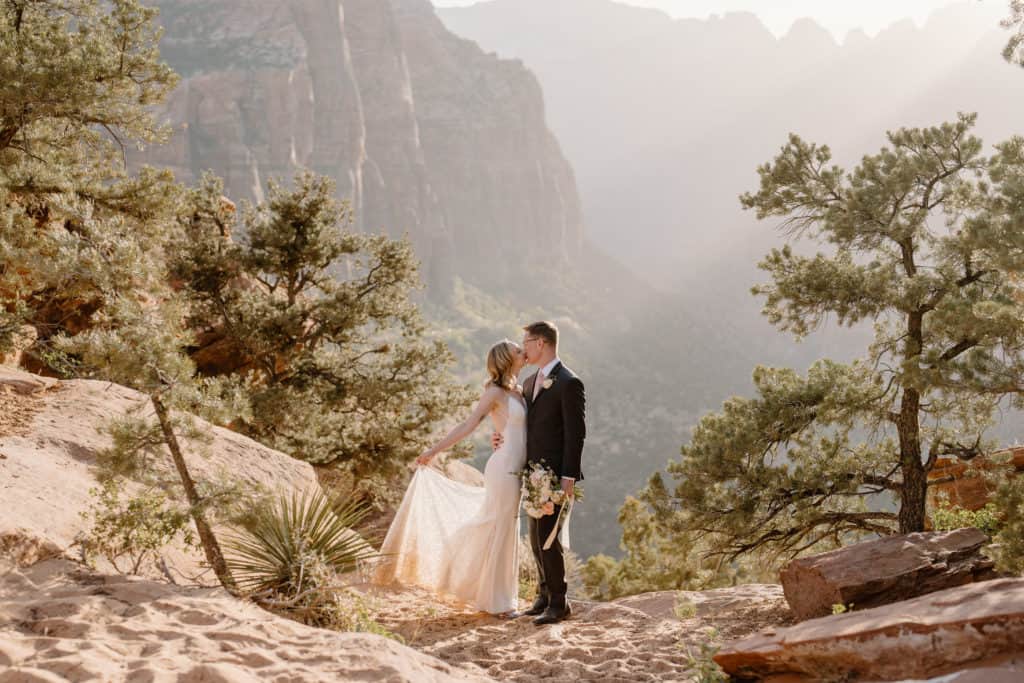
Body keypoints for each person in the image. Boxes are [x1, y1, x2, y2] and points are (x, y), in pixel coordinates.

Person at [373, 340, 528, 616]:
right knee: (499, 526)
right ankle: (497, 603)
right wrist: (433, 451)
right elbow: (469, 424)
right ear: (507, 359)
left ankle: (501, 596)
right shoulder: (494, 391)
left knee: (505, 526)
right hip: (503, 468)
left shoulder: (520, 390)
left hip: (518, 467)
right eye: (518, 350)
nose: (523, 353)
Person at [494, 320, 586, 625]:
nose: (524, 348)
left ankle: (560, 603)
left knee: (549, 539)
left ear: (541, 343)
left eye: (527, 342)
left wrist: (567, 480)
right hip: (532, 475)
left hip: (555, 477)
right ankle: (543, 596)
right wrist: (501, 437)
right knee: (535, 539)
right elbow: (524, 427)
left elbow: (576, 435)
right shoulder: (532, 382)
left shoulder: (569, 382)